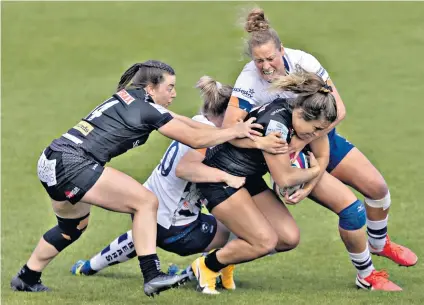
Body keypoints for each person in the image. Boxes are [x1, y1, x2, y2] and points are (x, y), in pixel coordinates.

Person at [10, 60, 263, 297]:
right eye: (170, 87)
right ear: (151, 87)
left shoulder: (133, 99)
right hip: (74, 164)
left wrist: (228, 132)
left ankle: (27, 277)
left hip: (52, 159)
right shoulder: (147, 109)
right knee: (145, 202)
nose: (173, 94)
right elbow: (194, 139)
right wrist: (235, 131)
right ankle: (152, 275)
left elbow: (183, 122)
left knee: (72, 227)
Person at [226, 7, 416, 269]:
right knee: (351, 211)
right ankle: (367, 275)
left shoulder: (304, 61)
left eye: (270, 58)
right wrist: (264, 145)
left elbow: (338, 109)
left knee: (377, 188)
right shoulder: (248, 79)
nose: (266, 66)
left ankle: (379, 243)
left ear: (282, 51)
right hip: (285, 151)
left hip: (319, 135)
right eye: (259, 61)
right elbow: (229, 128)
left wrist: (305, 140)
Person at [69, 76, 284, 291]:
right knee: (237, 229)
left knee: (143, 233)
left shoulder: (196, 121)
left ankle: (89, 267)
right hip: (177, 230)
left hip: (149, 215)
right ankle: (194, 272)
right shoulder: (212, 136)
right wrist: (226, 177)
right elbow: (185, 169)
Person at [177, 70, 372, 294]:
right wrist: (314, 171)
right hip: (221, 179)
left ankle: (227, 258)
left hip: (248, 178)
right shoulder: (276, 127)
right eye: (316, 129)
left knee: (288, 238)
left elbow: (321, 155)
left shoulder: (298, 110)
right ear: (301, 115)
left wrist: (309, 184)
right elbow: (284, 178)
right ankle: (206, 266)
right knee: (264, 242)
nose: (316, 134)